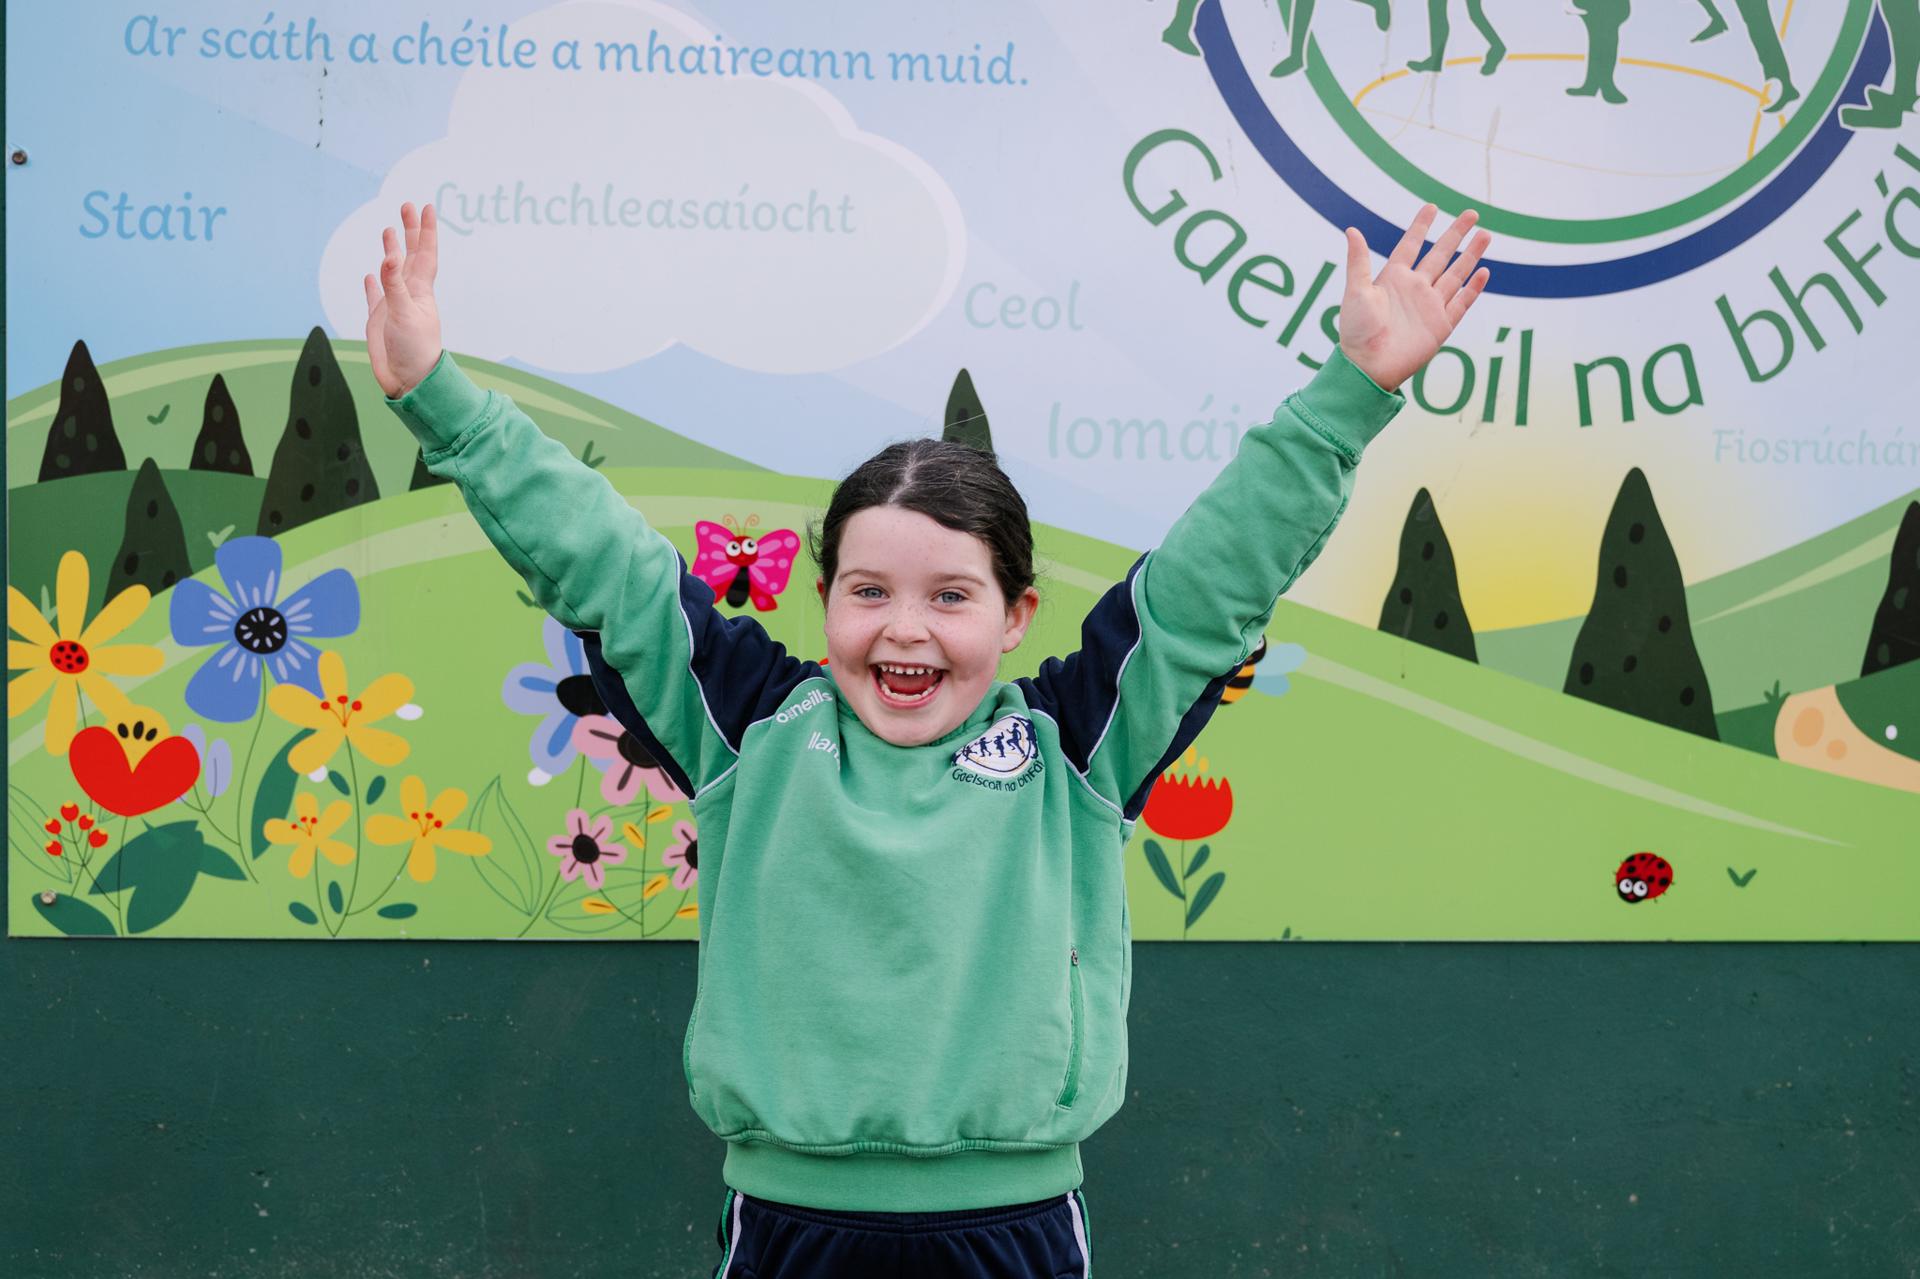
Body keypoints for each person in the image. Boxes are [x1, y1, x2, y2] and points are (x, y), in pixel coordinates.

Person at [363, 200, 1491, 1276]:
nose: (905, 628)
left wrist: (1351, 394)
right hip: (790, 1223)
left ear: (1016, 615)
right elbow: (601, 560)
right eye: (869, 590)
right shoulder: (749, 727)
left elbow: (1211, 584)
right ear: (825, 600)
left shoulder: (1077, 745)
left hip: (1014, 1226)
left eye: (952, 595)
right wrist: (438, 398)